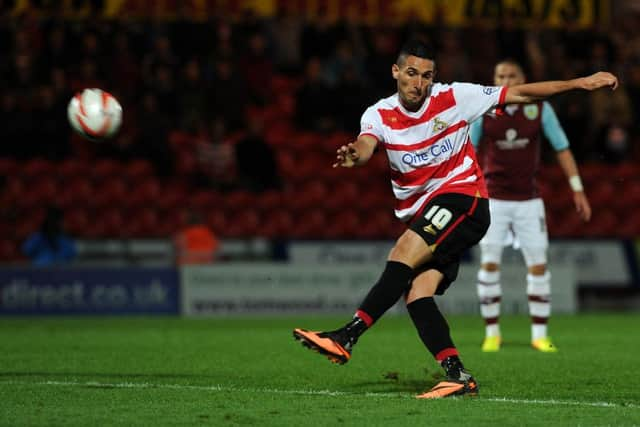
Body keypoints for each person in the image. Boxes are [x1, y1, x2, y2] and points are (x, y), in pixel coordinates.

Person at [292, 39, 618, 399]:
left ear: (434, 78)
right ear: (396, 72)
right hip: (431, 216)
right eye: (412, 73)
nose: (419, 83)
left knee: (402, 252)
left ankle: (346, 336)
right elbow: (365, 145)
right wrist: (356, 154)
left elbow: (522, 93)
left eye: (426, 76)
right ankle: (459, 376)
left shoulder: (456, 97)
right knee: (417, 294)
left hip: (465, 200)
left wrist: (579, 83)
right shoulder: (378, 114)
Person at [471, 60, 592, 354]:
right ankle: (492, 334)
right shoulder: (483, 111)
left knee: (538, 266)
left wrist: (577, 189)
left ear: (524, 78)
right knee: (489, 264)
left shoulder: (539, 109)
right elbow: (470, 152)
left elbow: (562, 147)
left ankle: (539, 335)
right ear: (493, 78)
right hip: (494, 200)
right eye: (500, 75)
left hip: (529, 201)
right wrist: (470, 192)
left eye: (512, 74)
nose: (506, 79)